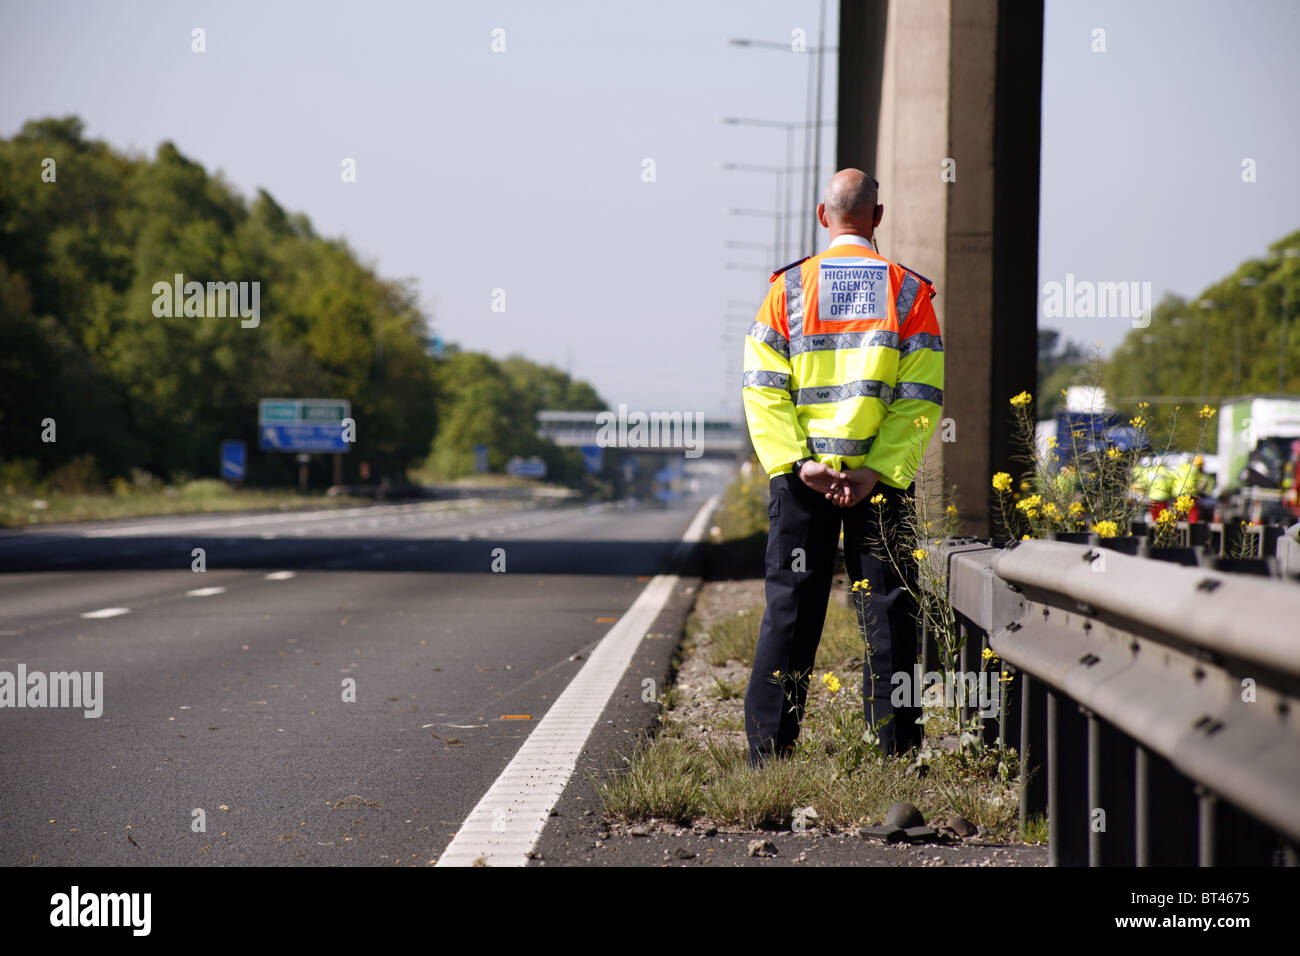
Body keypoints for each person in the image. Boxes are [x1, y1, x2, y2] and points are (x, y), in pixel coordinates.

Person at [740, 168, 944, 765]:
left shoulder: (788, 289)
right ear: (877, 218)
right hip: (876, 487)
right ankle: (896, 753)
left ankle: (768, 755)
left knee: (791, 610)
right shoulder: (909, 292)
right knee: (888, 612)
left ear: (823, 215)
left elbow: (763, 387)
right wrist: (876, 470)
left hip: (804, 484)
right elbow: (920, 395)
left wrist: (797, 463)